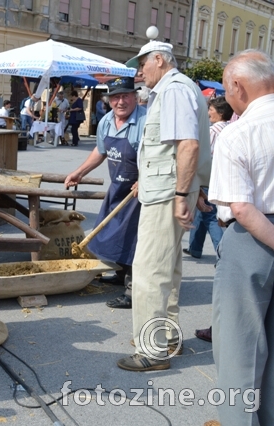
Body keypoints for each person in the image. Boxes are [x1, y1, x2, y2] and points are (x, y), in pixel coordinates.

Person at [116, 40, 212, 372]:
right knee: (167, 270)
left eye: (143, 64)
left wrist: (183, 194)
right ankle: (167, 340)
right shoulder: (180, 89)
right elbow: (185, 149)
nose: (139, 72)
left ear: (160, 59)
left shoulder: (173, 90)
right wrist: (191, 190)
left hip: (166, 192)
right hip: (169, 189)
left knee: (148, 273)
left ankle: (152, 350)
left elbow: (188, 144)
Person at [207, 50, 274, 425]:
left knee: (239, 353)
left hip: (253, 241)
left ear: (237, 86)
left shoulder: (238, 132)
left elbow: (244, 210)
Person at [65, 77, 145, 310]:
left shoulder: (147, 120)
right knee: (113, 232)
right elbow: (101, 151)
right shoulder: (107, 121)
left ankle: (133, 291)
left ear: (135, 97)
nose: (121, 101)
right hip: (118, 186)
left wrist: (145, 179)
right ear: (109, 100)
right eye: (116, 97)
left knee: (133, 238)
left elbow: (159, 155)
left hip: (139, 191)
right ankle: (121, 275)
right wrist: (79, 172)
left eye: (126, 96)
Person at [184, 96, 234, 259]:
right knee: (203, 213)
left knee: (210, 215)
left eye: (211, 109)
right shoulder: (231, 128)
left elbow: (202, 154)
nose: (208, 113)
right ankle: (195, 248)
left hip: (210, 177)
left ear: (219, 113)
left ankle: (223, 256)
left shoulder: (213, 131)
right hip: (224, 177)